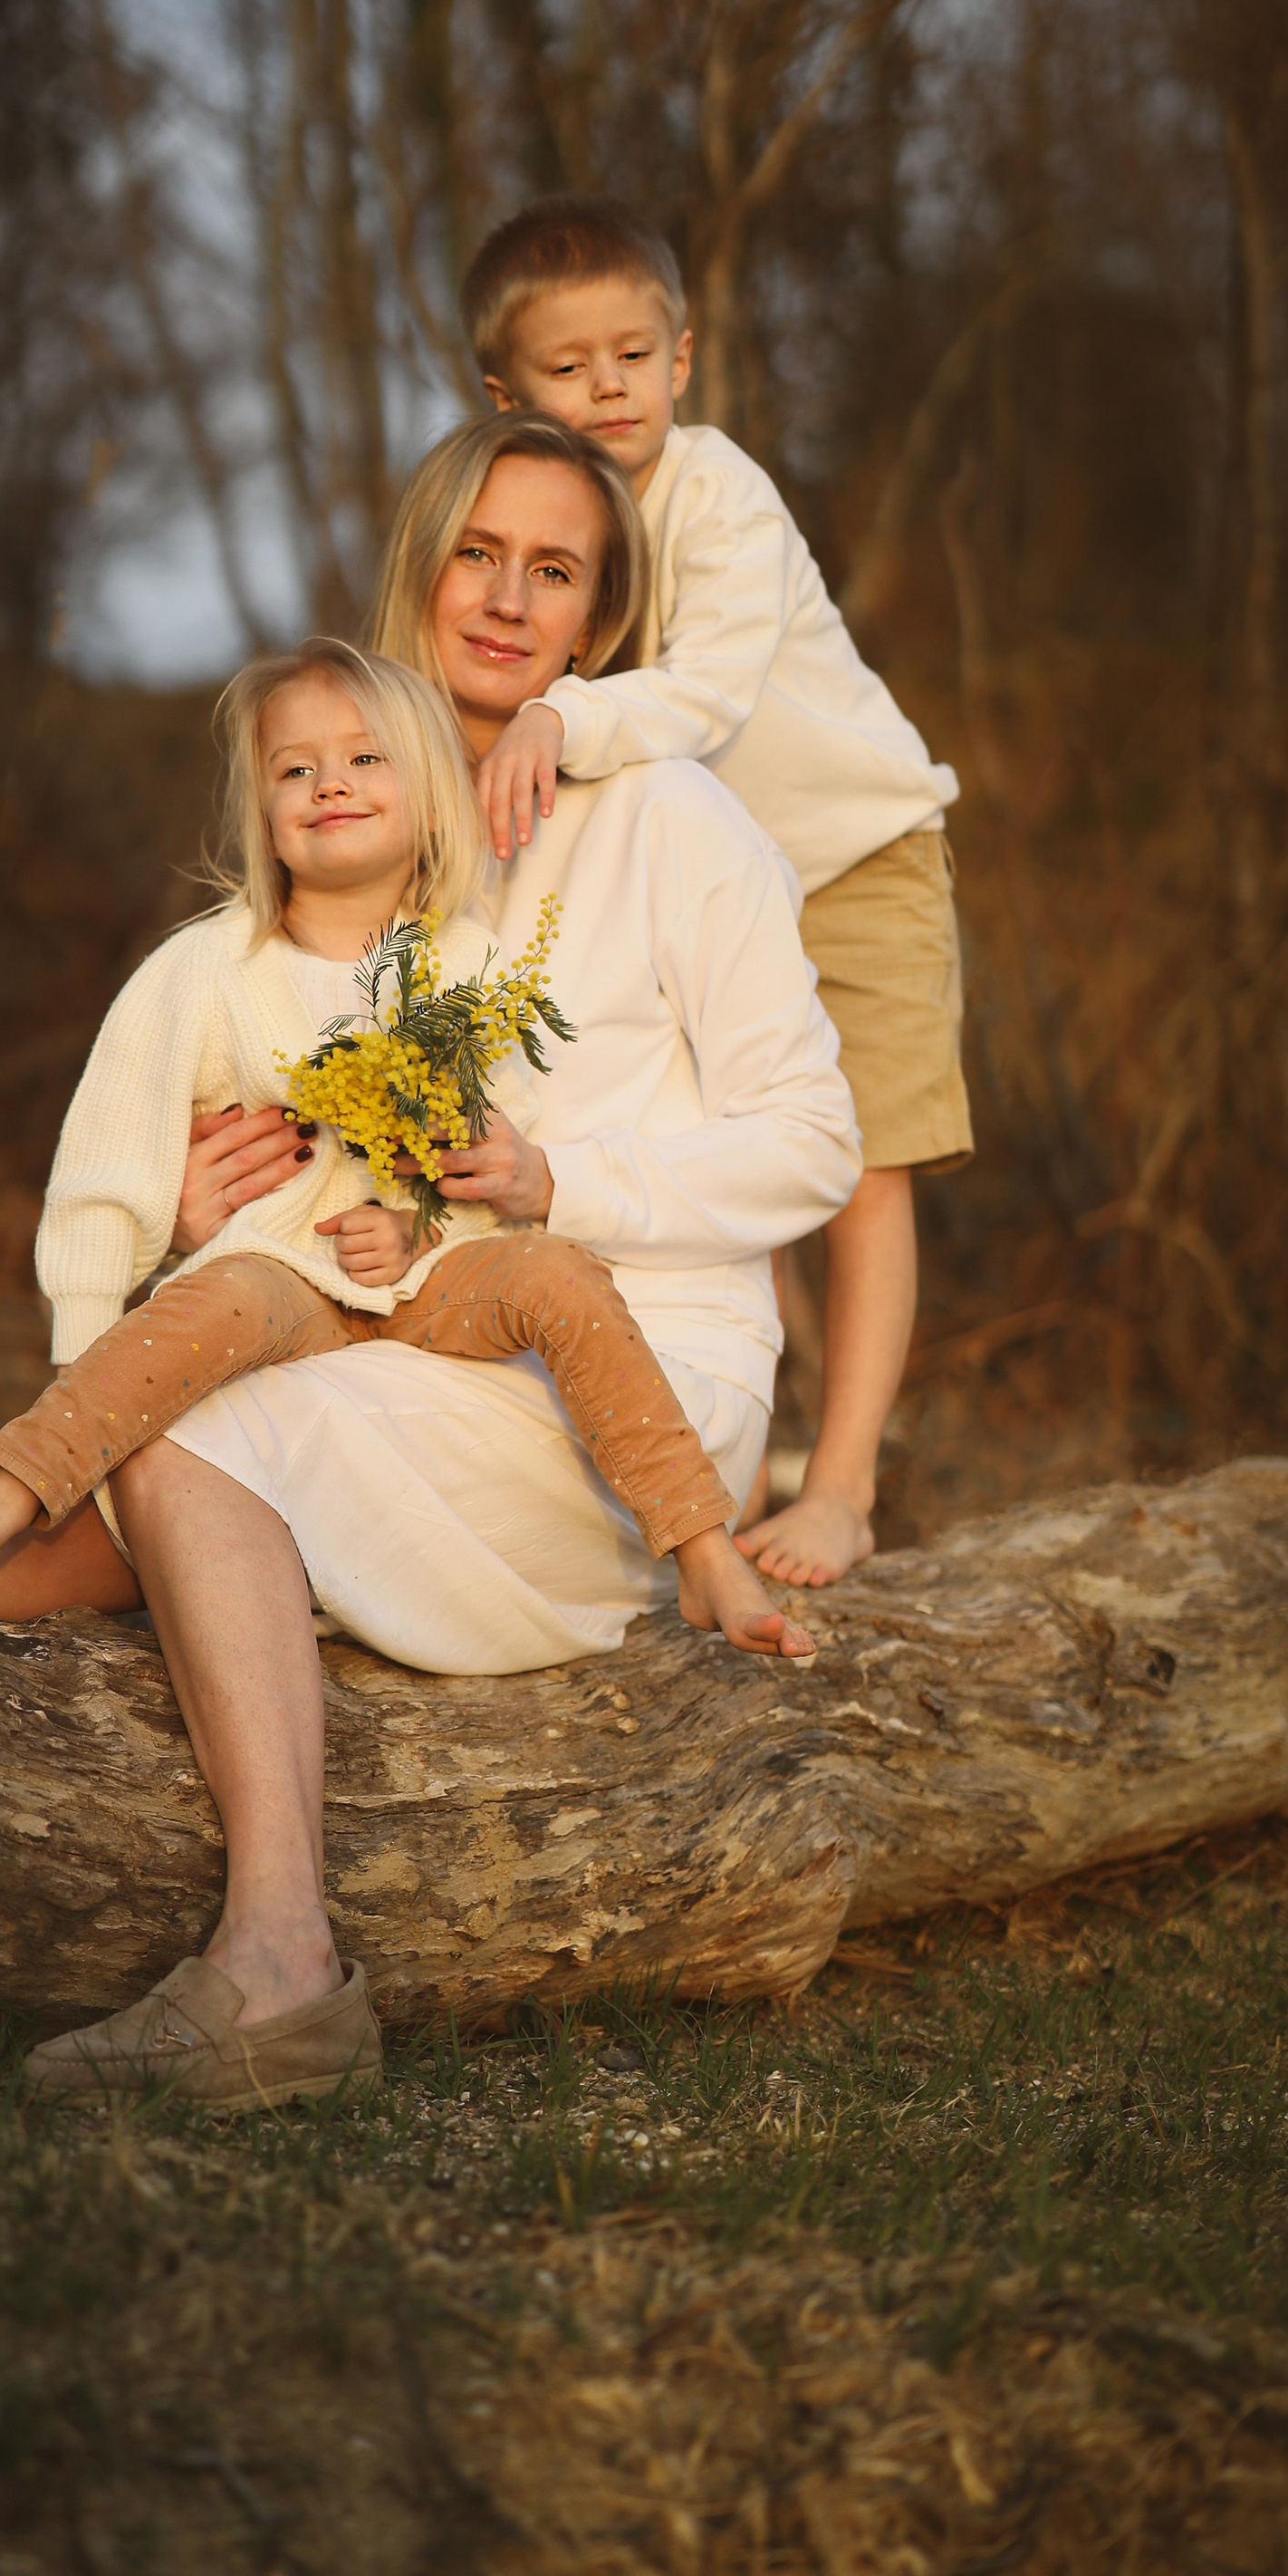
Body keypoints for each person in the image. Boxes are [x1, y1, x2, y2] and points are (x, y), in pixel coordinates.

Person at [0, 413, 860, 2110]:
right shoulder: (359, 793)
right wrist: (193, 1203)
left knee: (173, 1444)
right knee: (130, 1460)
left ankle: (278, 1968)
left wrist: (565, 1178)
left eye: (557, 572)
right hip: (390, 1324)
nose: (508, 601)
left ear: (599, 626)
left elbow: (817, 1139)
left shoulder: (673, 821)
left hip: (626, 1376)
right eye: (479, 554)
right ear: (422, 568)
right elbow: (277, 1088)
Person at [0, 635, 803, 1660]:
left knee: (558, 1273)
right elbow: (105, 1176)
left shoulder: (469, 964)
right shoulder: (204, 971)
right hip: (282, 1283)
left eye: (364, 760)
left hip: (429, 1285)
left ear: (429, 796)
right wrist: (80, 1358)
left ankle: (703, 1546)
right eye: (294, 769)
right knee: (212, 1302)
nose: (329, 786)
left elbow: (493, 1151)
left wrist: (413, 1230)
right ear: (262, 816)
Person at [463, 195, 972, 1587]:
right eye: (570, 369)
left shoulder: (719, 491)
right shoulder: (549, 520)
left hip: (852, 855)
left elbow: (706, 694)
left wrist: (559, 718)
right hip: (717, 885)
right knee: (724, 1168)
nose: (609, 387)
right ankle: (733, 1460)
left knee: (860, 1166)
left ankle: (849, 1486)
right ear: (509, 393)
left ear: (682, 362)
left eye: (636, 354)